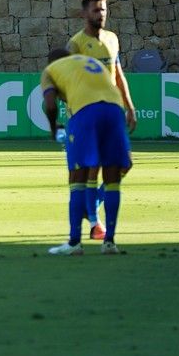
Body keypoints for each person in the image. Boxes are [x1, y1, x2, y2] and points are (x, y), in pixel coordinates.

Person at [41, 48, 133, 256]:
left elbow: (50, 104)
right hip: (114, 110)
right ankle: (109, 243)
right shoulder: (92, 63)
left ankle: (75, 243)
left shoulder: (51, 70)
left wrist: (53, 128)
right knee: (112, 178)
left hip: (86, 113)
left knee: (77, 177)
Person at [65, 0, 137, 233]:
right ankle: (95, 224)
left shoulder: (112, 39)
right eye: (96, 10)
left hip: (111, 111)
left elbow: (118, 74)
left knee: (125, 164)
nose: (101, 14)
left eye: (104, 9)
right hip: (85, 113)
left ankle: (93, 202)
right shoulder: (75, 44)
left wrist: (129, 106)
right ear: (85, 13)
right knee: (91, 168)